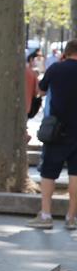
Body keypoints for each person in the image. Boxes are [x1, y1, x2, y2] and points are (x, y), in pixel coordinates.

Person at [27, 39, 77, 230]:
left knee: (49, 173)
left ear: (66, 53)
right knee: (75, 174)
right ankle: (71, 217)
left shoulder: (56, 68)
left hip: (57, 129)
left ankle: (46, 215)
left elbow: (41, 90)